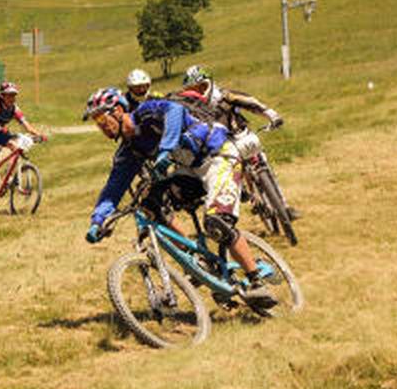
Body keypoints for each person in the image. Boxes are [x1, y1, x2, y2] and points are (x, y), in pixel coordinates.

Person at [83, 87, 277, 308]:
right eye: (95, 122)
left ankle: (255, 281)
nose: (100, 125)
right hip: (189, 170)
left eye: (101, 117)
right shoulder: (129, 150)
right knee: (150, 204)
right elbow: (114, 187)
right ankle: (196, 260)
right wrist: (98, 220)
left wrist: (166, 149)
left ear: (118, 110)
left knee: (216, 222)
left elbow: (174, 111)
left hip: (219, 155)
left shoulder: (146, 113)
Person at [181, 65, 298, 219]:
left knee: (263, 163)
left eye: (202, 86)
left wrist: (271, 114)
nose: (200, 91)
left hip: (241, 135)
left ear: (209, 83)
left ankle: (284, 205)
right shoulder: (191, 108)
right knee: (228, 172)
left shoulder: (224, 96)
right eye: (195, 89)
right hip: (221, 146)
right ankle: (250, 197)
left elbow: (250, 102)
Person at [0, 81, 42, 206]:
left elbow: (26, 125)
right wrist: (1, 129)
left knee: (15, 147)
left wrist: (38, 134)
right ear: (2, 95)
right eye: (9, 95)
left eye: (14, 95)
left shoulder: (14, 108)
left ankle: (8, 177)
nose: (12, 98)